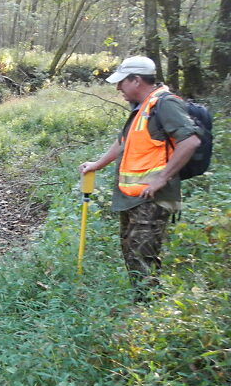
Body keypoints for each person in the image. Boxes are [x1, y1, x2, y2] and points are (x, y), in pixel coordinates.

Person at [79, 55, 201, 297]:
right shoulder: (141, 109)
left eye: (122, 82)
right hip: (134, 198)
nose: (118, 87)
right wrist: (97, 164)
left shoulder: (164, 104)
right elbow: (123, 142)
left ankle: (147, 318)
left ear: (136, 80)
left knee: (142, 259)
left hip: (152, 198)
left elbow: (191, 140)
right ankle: (142, 309)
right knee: (132, 254)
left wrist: (162, 178)